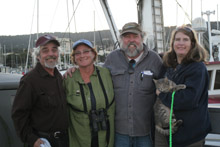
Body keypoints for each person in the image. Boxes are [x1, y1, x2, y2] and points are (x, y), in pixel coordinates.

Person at [104, 22, 163, 147]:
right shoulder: (111, 59)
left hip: (145, 132)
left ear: (142, 37)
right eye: (127, 37)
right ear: (121, 39)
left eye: (135, 36)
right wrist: (74, 70)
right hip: (119, 133)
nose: (131, 40)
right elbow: (96, 78)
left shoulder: (155, 59)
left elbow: (166, 85)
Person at [155, 25, 211, 147]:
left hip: (189, 135)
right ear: (173, 43)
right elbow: (158, 82)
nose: (181, 43)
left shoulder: (197, 68)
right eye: (177, 39)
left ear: (192, 43)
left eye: (185, 40)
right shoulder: (167, 64)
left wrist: (162, 95)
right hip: (163, 132)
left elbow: (188, 100)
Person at [11, 35, 69, 147]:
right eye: (45, 50)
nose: (51, 54)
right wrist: (32, 139)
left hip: (64, 140)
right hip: (44, 142)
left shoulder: (58, 76)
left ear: (58, 54)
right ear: (38, 56)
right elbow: (18, 114)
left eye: (54, 50)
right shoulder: (29, 80)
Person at [63, 39, 115, 147]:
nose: (82, 55)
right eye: (77, 53)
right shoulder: (68, 80)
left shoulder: (106, 74)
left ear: (93, 54)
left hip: (106, 139)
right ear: (74, 58)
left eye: (86, 51)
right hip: (80, 140)